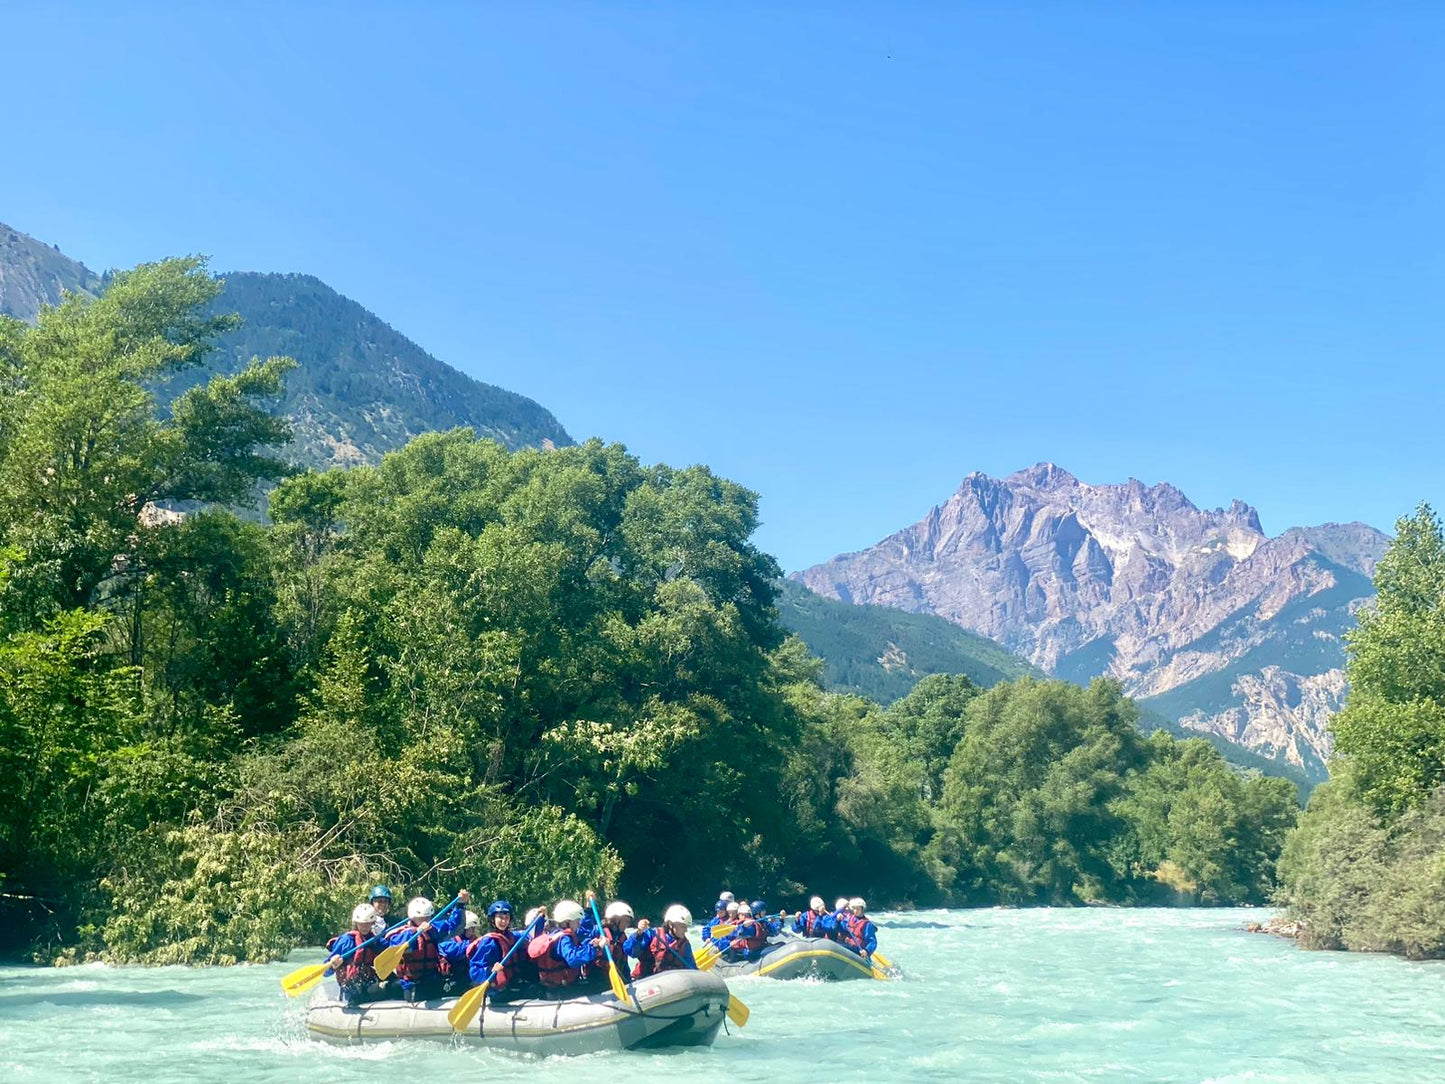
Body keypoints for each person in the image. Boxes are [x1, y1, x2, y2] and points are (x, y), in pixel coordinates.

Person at [386, 889, 470, 1002]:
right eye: (422, 918)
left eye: (428, 917)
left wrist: (460, 905)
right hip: (413, 985)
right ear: (412, 917)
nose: (426, 920)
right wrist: (416, 933)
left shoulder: (433, 929)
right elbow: (397, 946)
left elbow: (453, 925)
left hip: (432, 980)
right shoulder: (402, 934)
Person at [527, 899, 603, 997]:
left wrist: (591, 945)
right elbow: (573, 959)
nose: (579, 923)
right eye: (577, 921)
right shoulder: (564, 939)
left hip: (561, 987)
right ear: (567, 922)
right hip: (560, 991)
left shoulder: (558, 934)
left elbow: (583, 934)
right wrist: (595, 949)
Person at [325, 903, 392, 1005]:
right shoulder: (346, 941)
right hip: (351, 987)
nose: (364, 927)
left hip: (369, 982)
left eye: (368, 923)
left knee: (396, 984)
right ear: (356, 923)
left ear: (373, 923)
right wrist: (332, 965)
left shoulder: (375, 941)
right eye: (361, 923)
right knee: (358, 990)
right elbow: (325, 972)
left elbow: (391, 948)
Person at [467, 899, 531, 1001]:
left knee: (535, 989)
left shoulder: (513, 936)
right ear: (493, 919)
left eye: (507, 918)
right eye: (500, 918)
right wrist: (490, 970)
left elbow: (531, 934)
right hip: (496, 991)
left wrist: (541, 918)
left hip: (512, 985)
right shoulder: (488, 942)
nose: (504, 921)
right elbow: (474, 970)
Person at [439, 909, 480, 996]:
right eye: (471, 928)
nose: (473, 931)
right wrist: (473, 943)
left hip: (466, 980)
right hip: (451, 981)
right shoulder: (447, 943)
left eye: (474, 928)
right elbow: (456, 951)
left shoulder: (473, 941)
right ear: (463, 929)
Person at [649, 906, 698, 972]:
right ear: (670, 924)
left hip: (671, 979)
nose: (686, 930)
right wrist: (638, 934)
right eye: (683, 926)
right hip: (649, 978)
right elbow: (633, 952)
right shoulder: (652, 934)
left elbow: (692, 967)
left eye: (686, 927)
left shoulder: (685, 944)